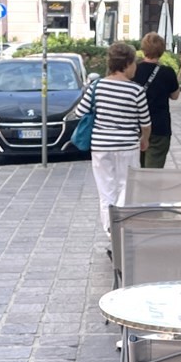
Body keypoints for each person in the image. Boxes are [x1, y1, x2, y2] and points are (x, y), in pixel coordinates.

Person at [72, 39, 150, 235]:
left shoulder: (96, 87)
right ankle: (123, 226)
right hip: (127, 146)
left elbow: (79, 112)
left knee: (106, 190)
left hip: (101, 146)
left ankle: (111, 230)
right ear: (126, 64)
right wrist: (145, 139)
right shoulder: (136, 90)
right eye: (134, 63)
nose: (135, 68)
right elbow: (145, 122)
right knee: (127, 187)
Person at [135, 32, 180, 169]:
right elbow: (175, 96)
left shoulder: (134, 70)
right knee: (153, 172)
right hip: (160, 127)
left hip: (136, 126)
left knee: (135, 169)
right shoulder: (167, 72)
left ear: (143, 49)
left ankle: (137, 191)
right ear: (162, 51)